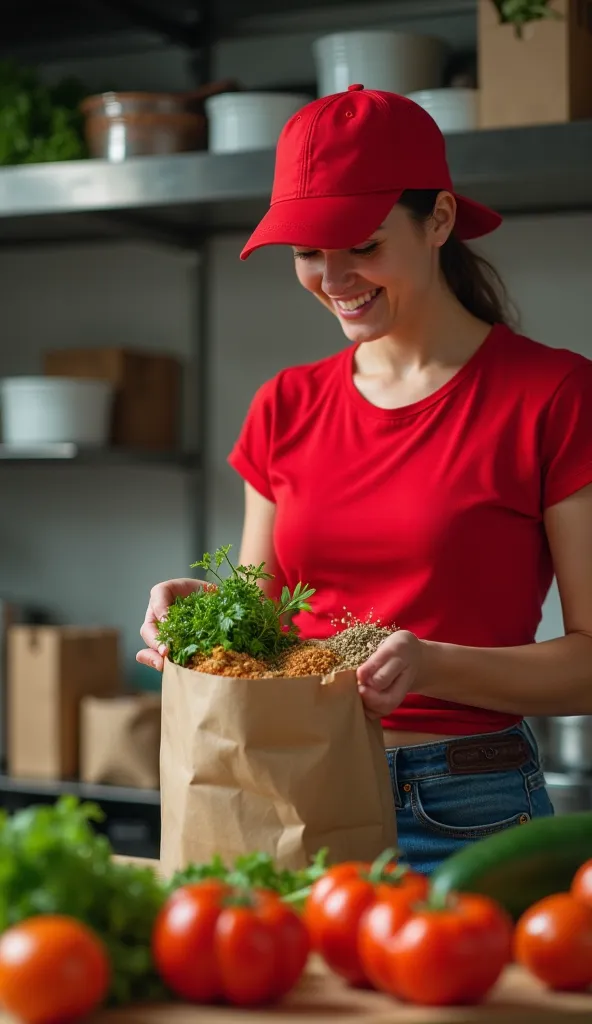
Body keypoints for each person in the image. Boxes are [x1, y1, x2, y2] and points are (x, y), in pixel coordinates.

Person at [138, 85, 592, 874]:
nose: (333, 276)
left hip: (467, 809)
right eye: (308, 252)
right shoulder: (285, 405)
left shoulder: (554, 396)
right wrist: (203, 618)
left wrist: (433, 663)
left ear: (439, 220)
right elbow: (269, 628)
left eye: (362, 244)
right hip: (290, 789)